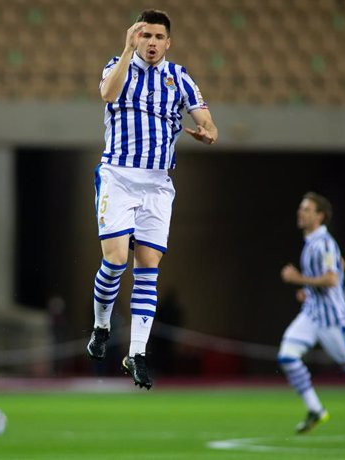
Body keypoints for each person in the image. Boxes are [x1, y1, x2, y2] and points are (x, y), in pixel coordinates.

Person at [85, 9, 218, 390]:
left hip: (158, 184)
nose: (153, 43)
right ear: (135, 38)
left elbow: (209, 122)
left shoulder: (179, 78)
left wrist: (206, 132)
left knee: (148, 267)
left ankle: (137, 353)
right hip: (118, 176)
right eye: (146, 36)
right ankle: (101, 326)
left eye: (159, 37)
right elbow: (107, 93)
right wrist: (125, 50)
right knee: (114, 261)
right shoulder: (117, 66)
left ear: (168, 42)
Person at [278, 192, 345, 445]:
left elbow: (332, 278)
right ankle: (316, 409)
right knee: (287, 355)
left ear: (320, 215)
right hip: (312, 315)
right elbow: (341, 266)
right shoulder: (312, 242)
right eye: (300, 208)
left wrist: (299, 280)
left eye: (306, 209)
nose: (300, 212)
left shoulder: (323, 243)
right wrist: (308, 292)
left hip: (333, 320)